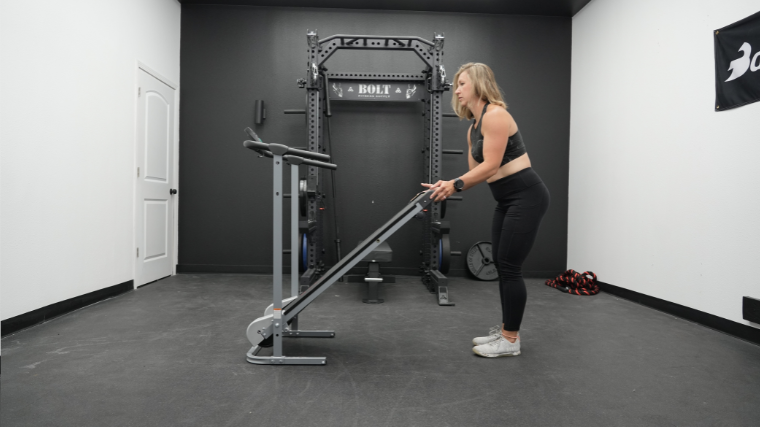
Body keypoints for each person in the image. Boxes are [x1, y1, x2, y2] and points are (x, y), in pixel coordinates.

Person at [422, 63, 550, 358]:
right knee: (502, 265)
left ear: (478, 84)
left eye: (462, 83)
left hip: (526, 195)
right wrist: (445, 186)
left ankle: (510, 339)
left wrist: (454, 184)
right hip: (506, 200)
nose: (456, 90)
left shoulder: (496, 116)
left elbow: (491, 165)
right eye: (456, 85)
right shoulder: (473, 129)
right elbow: (478, 174)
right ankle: (507, 331)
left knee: (509, 266)